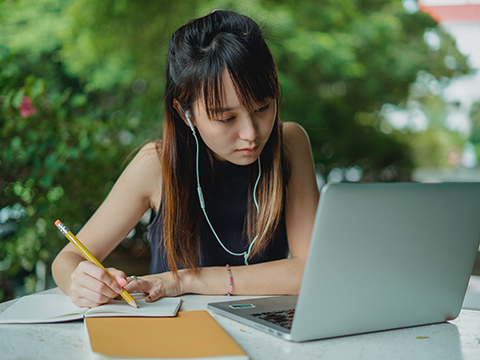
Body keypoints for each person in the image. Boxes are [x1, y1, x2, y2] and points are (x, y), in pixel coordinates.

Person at [51, 10, 319, 308]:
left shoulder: (290, 144)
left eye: (262, 108)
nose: (250, 134)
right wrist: (83, 282)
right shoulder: (157, 164)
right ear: (185, 112)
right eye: (227, 118)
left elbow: (308, 270)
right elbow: (66, 259)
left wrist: (185, 279)